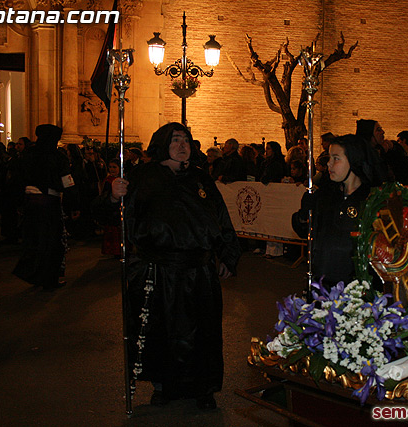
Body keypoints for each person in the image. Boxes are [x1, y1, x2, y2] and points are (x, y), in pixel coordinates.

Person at [107, 123, 240, 409]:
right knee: (161, 332)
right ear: (162, 144)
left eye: (187, 141)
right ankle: (163, 386)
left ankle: (203, 388)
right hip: (158, 270)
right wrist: (113, 196)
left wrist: (228, 255)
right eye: (176, 140)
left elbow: (221, 218)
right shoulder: (142, 176)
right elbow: (114, 217)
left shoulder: (201, 180)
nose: (183, 146)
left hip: (199, 271)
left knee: (202, 333)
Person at [292, 134, 373, 289]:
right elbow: (308, 233)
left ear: (353, 161)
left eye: (336, 158)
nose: (329, 164)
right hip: (322, 282)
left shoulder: (370, 199)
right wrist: (304, 215)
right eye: (330, 158)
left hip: (355, 288)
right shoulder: (325, 195)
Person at [13, 125, 75, 291]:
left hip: (30, 201)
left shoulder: (28, 154)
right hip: (49, 202)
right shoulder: (57, 156)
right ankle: (49, 279)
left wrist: (19, 202)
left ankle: (33, 274)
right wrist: (73, 203)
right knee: (52, 242)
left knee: (34, 240)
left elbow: (17, 179)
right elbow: (66, 181)